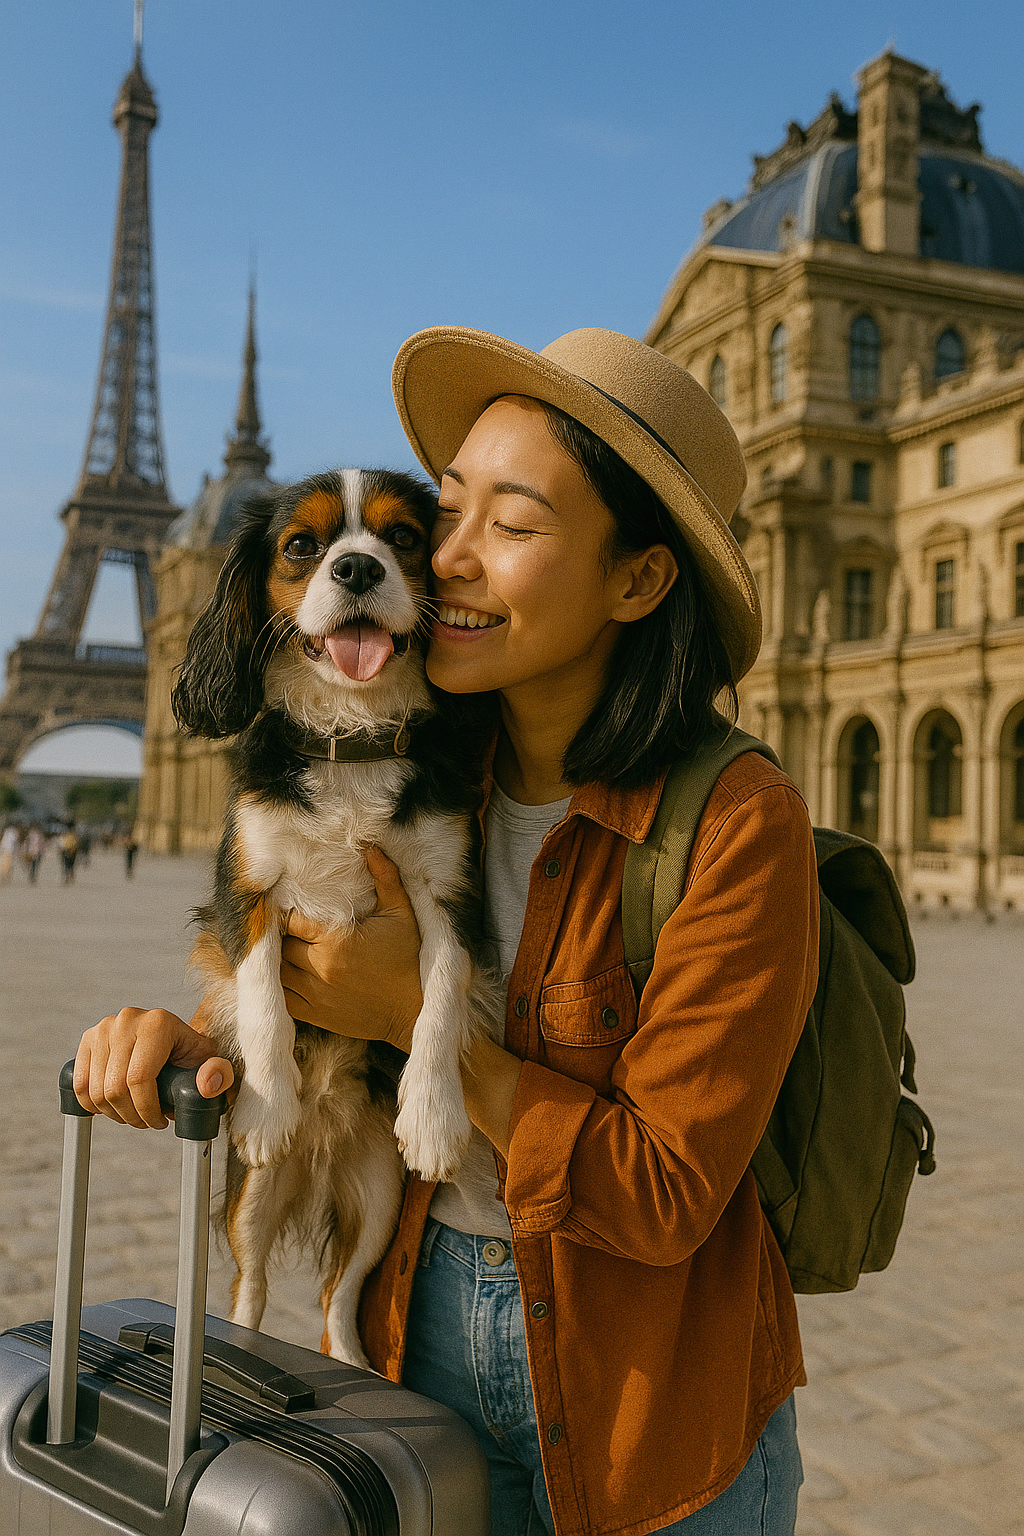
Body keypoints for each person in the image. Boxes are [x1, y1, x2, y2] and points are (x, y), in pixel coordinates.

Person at [74, 328, 818, 1536]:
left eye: (511, 528)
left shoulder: (738, 825)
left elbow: (667, 1190)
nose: (452, 562)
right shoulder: (403, 758)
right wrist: (189, 1038)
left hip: (647, 1421)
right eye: (449, 515)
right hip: (399, 1356)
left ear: (637, 579)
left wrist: (423, 1035)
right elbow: (298, 1002)